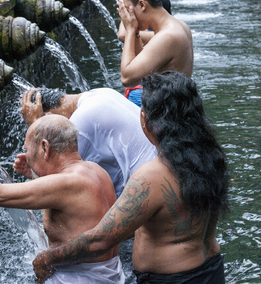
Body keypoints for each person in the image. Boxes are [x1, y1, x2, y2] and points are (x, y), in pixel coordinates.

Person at [32, 71, 229, 284]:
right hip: (212, 270)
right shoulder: (212, 159)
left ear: (144, 120)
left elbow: (100, 240)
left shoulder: (152, 175)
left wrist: (48, 259)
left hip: (172, 280)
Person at [0, 115, 125, 283]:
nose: (26, 155)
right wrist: (37, 173)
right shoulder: (97, 171)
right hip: (111, 275)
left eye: (28, 149)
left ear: (44, 148)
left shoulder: (66, 183)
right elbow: (70, 207)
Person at [20, 86, 157, 197]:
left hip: (147, 190)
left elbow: (58, 186)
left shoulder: (80, 122)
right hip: (160, 167)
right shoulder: (100, 92)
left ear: (48, 116)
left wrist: (37, 124)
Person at [117, 0, 193, 90]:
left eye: (128, 9)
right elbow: (142, 67)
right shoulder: (180, 25)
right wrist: (136, 33)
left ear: (142, 5)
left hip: (167, 106)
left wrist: (130, 30)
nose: (128, 16)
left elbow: (127, 78)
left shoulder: (167, 36)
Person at [118, 0, 172, 106]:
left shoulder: (161, 36)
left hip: (143, 92)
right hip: (150, 90)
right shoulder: (170, 29)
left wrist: (127, 20)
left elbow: (122, 35)